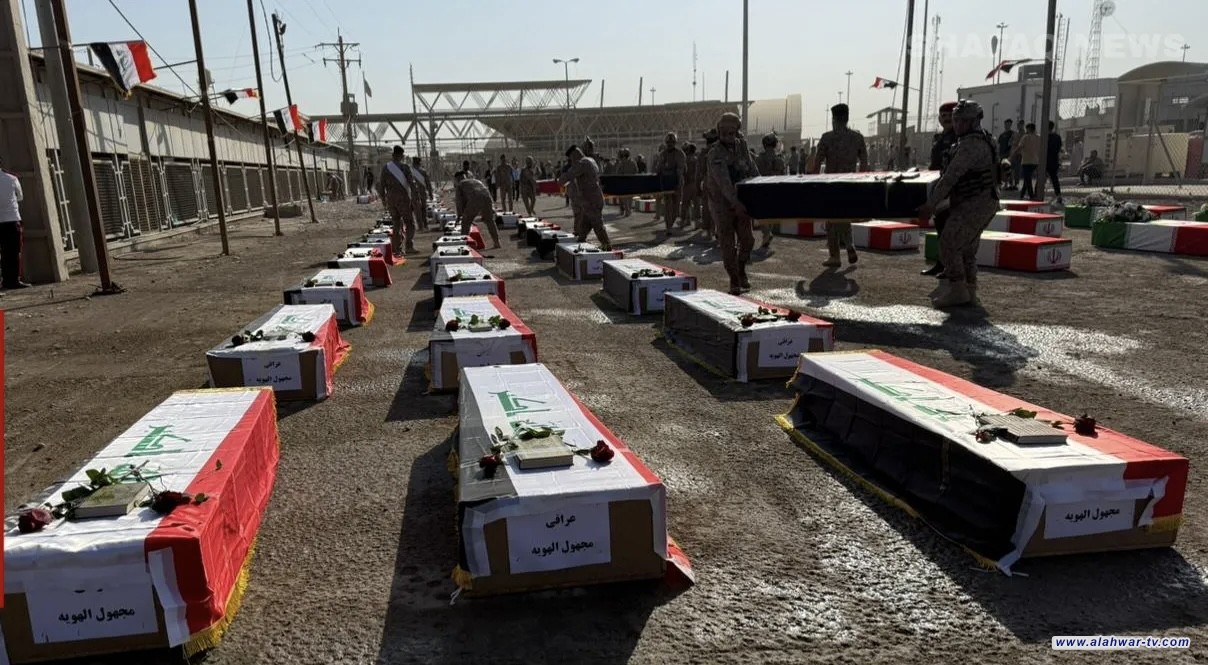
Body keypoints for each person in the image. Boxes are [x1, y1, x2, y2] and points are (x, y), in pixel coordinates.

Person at [917, 99, 1000, 308]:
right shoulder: (984, 139)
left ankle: (958, 289)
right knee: (967, 249)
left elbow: (951, 177)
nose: (958, 124)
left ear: (974, 121)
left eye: (963, 121)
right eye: (956, 120)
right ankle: (969, 289)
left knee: (948, 243)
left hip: (974, 204)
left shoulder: (971, 145)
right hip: (979, 201)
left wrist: (931, 204)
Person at [809, 103, 869, 267]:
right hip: (850, 182)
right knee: (844, 215)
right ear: (847, 118)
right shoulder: (857, 138)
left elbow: (817, 163)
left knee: (831, 219)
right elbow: (864, 163)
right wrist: (861, 182)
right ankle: (849, 245)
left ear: (834, 119)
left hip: (831, 183)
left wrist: (812, 183)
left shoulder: (827, 138)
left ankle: (835, 255)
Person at [706, 113, 759, 295]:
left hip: (741, 202)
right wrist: (736, 203)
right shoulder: (715, 153)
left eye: (731, 131)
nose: (727, 135)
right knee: (727, 243)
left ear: (737, 131)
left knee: (748, 240)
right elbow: (724, 184)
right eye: (723, 131)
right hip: (722, 204)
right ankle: (734, 279)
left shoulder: (742, 147)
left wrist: (761, 188)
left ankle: (741, 268)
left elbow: (752, 169)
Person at [922, 101, 958, 277]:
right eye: (943, 116)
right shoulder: (940, 137)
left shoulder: (959, 137)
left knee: (950, 230)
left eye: (949, 115)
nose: (946, 119)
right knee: (940, 226)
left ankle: (951, 266)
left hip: (953, 189)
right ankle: (942, 263)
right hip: (938, 186)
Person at [558, 144, 611, 250]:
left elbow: (566, 178)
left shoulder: (582, 163)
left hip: (591, 200)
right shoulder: (590, 160)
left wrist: (561, 179)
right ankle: (581, 241)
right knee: (584, 226)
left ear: (574, 155)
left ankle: (607, 245)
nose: (571, 160)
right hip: (592, 198)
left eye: (571, 158)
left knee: (597, 224)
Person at [376, 145, 415, 256]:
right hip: (403, 199)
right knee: (409, 223)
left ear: (393, 155)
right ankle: (409, 246)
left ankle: (396, 249)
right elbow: (411, 183)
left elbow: (381, 185)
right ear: (401, 155)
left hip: (391, 199)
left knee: (396, 224)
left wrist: (383, 199)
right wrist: (414, 198)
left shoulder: (386, 168)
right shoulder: (405, 167)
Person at [754, 132, 787, 251]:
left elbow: (754, 174)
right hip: (775, 189)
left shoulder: (759, 158)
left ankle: (766, 233)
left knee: (760, 213)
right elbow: (784, 176)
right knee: (771, 213)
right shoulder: (780, 159)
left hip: (762, 189)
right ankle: (768, 234)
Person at [0, 156, 29, 290]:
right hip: (12, 220)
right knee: (13, 252)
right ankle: (12, 281)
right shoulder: (12, 179)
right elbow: (20, 197)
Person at [453, 171, 501, 249]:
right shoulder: (476, 181)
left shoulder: (460, 184)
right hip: (487, 198)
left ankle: (464, 245)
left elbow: (459, 202)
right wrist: (492, 207)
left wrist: (460, 215)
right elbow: (486, 191)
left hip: (475, 198)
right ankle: (497, 242)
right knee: (490, 221)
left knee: (465, 222)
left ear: (457, 179)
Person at [653, 133, 687, 234]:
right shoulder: (662, 154)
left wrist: (678, 181)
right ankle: (668, 226)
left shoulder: (680, 154)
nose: (670, 144)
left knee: (676, 208)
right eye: (668, 142)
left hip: (677, 183)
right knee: (668, 206)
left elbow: (681, 169)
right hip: (666, 183)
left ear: (675, 142)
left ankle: (670, 223)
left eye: (672, 142)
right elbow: (659, 168)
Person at [698, 129, 720, 240]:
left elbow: (699, 171)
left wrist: (698, 186)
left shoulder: (704, 153)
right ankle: (717, 229)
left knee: (707, 207)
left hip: (707, 181)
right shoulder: (721, 150)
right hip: (720, 182)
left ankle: (708, 231)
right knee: (719, 206)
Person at [1012, 122, 1041, 200]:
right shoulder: (1039, 138)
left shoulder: (1025, 137)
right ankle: (1022, 195)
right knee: (1026, 178)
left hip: (1026, 161)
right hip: (1036, 161)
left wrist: (1013, 154)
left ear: (1028, 129)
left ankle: (1031, 195)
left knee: (1027, 179)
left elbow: (1020, 147)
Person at [680, 143, 701, 227]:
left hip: (687, 184)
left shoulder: (685, 159)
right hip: (695, 183)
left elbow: (683, 171)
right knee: (696, 204)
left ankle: (684, 220)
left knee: (685, 203)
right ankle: (697, 222)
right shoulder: (697, 159)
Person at [409, 156, 432, 231]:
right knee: (423, 209)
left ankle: (420, 226)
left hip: (414, 194)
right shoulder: (423, 171)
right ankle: (425, 225)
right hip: (422, 193)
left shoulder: (410, 171)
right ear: (419, 162)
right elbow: (428, 183)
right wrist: (430, 193)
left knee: (417, 210)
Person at [1044, 121, 1064, 206]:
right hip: (1054, 160)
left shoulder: (1044, 137)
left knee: (1041, 178)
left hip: (1044, 160)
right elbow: (1059, 148)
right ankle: (1058, 195)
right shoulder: (1057, 137)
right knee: (1054, 178)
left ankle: (1037, 194)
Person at [615, 148, 639, 216]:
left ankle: (626, 210)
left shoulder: (622, 162)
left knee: (625, 197)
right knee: (630, 197)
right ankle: (629, 210)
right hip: (631, 181)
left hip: (624, 181)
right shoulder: (633, 162)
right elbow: (636, 170)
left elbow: (618, 172)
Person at [997, 119, 1017, 189]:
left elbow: (1013, 143)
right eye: (1006, 124)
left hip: (1009, 154)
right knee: (1003, 169)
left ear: (1010, 125)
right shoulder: (1002, 135)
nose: (1007, 126)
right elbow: (999, 145)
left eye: (1008, 124)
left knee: (1010, 169)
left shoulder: (1012, 134)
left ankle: (1011, 184)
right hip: (1002, 154)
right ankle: (1005, 184)